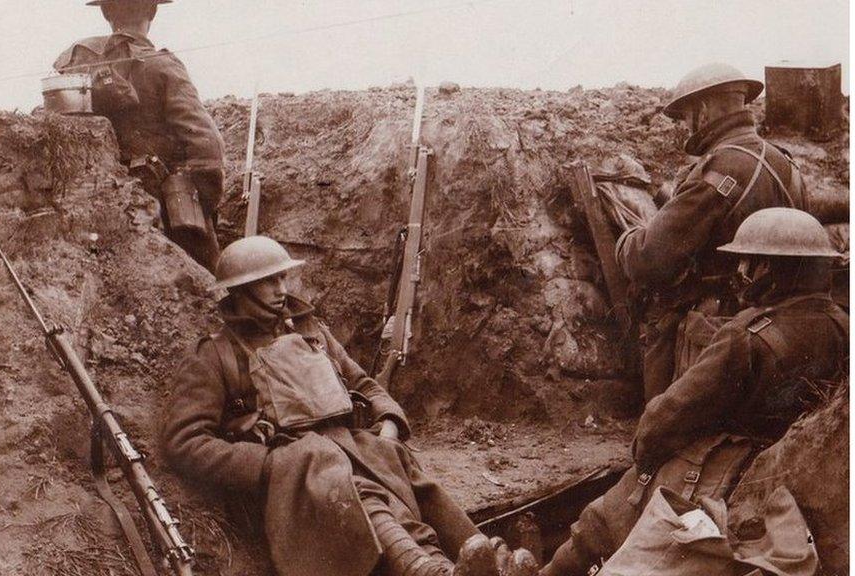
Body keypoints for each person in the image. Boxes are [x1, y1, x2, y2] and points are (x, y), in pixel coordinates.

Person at [160, 236, 536, 576]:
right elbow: (185, 440)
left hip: (346, 447)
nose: (281, 289)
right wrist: (268, 466)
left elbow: (361, 383)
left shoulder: (310, 333)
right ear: (241, 290)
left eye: (283, 278)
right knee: (351, 483)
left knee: (400, 467)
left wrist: (388, 421)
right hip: (293, 473)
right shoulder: (215, 356)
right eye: (269, 281)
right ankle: (428, 572)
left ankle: (482, 561)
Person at [542, 208, 848, 576]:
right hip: (788, 465)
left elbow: (667, 417)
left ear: (770, 269)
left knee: (602, 520)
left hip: (723, 463)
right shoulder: (842, 327)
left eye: (750, 263)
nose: (742, 274)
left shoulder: (746, 336)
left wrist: (646, 452)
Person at [616, 63, 809, 402]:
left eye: (686, 116)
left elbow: (649, 260)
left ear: (703, 112)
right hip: (782, 332)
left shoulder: (718, 168)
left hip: (719, 335)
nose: (685, 126)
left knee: (666, 430)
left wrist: (626, 239)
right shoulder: (786, 165)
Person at [54, 0, 225, 271]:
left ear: (106, 12)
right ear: (153, 11)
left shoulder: (76, 64)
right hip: (166, 200)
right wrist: (205, 199)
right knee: (208, 279)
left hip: (98, 202)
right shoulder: (163, 65)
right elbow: (207, 147)